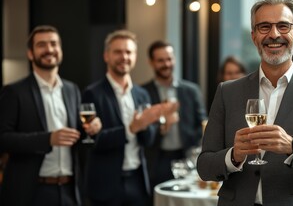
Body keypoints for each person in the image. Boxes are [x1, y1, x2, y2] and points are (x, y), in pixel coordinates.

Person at [197, 0, 293, 205]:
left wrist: (292, 146)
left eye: (284, 26)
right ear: (254, 36)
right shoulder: (226, 92)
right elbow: (204, 166)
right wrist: (234, 156)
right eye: (264, 27)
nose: (274, 34)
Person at [0, 25, 102, 206]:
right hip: (32, 192)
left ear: (60, 50)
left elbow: (78, 137)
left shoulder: (72, 90)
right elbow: (3, 139)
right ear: (30, 53)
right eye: (41, 45)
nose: (49, 49)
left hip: (70, 190)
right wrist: (48, 139)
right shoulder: (14, 92)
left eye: (54, 44)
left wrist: (92, 131)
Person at [82, 30, 177, 205]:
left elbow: (147, 141)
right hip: (106, 185)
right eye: (118, 52)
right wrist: (131, 128)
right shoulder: (92, 93)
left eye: (129, 52)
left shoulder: (141, 94)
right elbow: (92, 142)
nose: (124, 57)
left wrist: (152, 123)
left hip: (138, 181)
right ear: (106, 56)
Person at [142, 40, 208, 191]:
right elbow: (142, 131)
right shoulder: (143, 93)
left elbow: (202, 123)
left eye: (169, 59)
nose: (166, 64)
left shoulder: (191, 90)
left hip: (186, 157)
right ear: (151, 62)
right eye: (160, 60)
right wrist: (163, 124)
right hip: (156, 160)